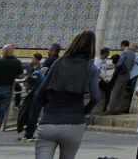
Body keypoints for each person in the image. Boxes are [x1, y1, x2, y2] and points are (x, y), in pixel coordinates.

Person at [35, 30, 100, 159]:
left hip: (49, 121)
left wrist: (47, 108)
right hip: (74, 123)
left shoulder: (59, 62)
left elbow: (41, 92)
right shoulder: (91, 68)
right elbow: (96, 97)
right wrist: (83, 111)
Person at [0, 44, 24, 144]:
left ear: (4, 50)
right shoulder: (17, 62)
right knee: (1, 114)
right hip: (7, 89)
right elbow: (21, 76)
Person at [104, 41, 138, 115]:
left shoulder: (125, 52)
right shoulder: (133, 54)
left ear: (122, 45)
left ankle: (110, 109)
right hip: (128, 73)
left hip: (121, 73)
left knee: (114, 91)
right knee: (121, 91)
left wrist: (115, 71)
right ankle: (119, 108)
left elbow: (119, 64)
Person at [16, 55, 45, 141]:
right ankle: (28, 133)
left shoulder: (38, 71)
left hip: (35, 95)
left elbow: (33, 80)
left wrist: (27, 79)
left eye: (33, 58)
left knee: (32, 114)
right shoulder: (31, 68)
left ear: (37, 60)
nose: (32, 60)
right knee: (32, 114)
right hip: (35, 94)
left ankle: (28, 134)